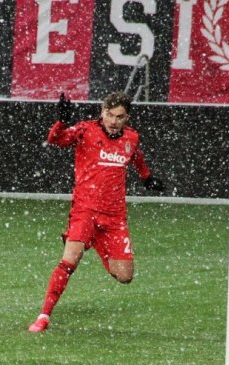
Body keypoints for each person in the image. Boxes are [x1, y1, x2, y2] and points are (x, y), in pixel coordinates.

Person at [28, 91, 166, 333]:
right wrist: (61, 121)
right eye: (109, 115)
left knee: (124, 276)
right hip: (85, 210)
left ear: (127, 118)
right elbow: (56, 140)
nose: (113, 121)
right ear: (102, 113)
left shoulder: (132, 138)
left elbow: (136, 157)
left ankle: (96, 242)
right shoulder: (85, 130)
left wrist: (147, 177)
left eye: (119, 117)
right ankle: (43, 316)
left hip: (114, 218)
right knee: (70, 260)